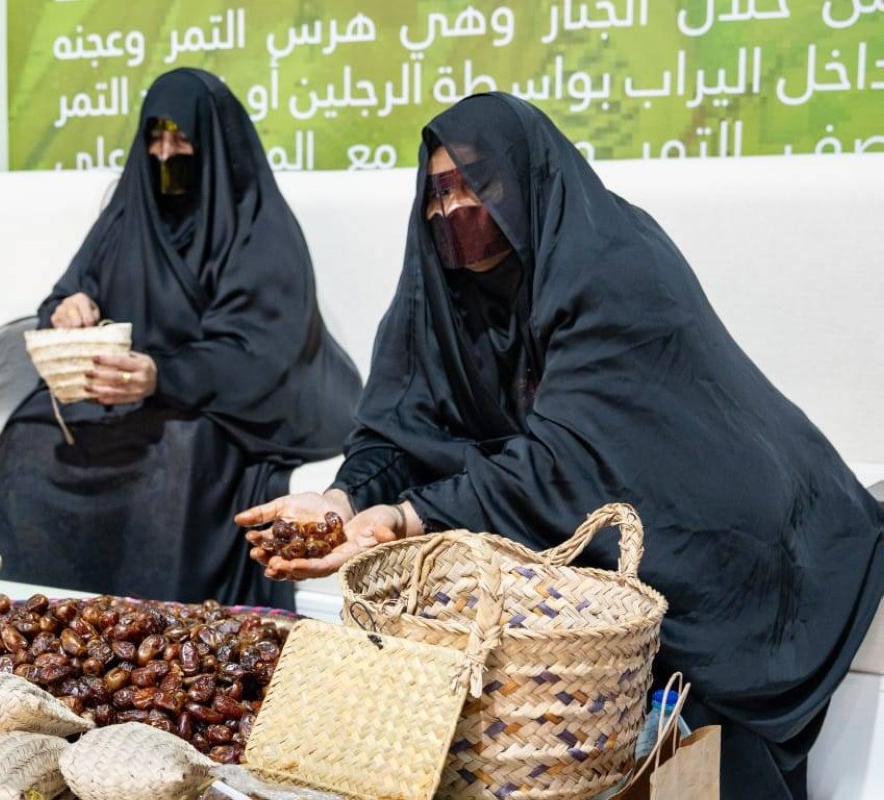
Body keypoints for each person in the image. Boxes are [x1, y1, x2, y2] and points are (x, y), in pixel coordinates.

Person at [237, 92, 884, 798]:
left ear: (530, 180)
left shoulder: (613, 264)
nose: (455, 208)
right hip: (591, 546)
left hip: (738, 537)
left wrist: (407, 517)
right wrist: (343, 498)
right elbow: (401, 425)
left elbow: (572, 459)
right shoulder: (440, 294)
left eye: (478, 183)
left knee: (711, 742)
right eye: (438, 191)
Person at [0, 68, 361, 610]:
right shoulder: (127, 214)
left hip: (220, 402)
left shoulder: (257, 224)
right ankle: (34, 611)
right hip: (131, 398)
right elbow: (67, 291)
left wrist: (162, 374)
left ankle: (161, 630)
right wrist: (67, 309)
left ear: (213, 145)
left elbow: (260, 354)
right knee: (30, 430)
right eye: (155, 137)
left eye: (181, 139)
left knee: (183, 448)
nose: (165, 153)